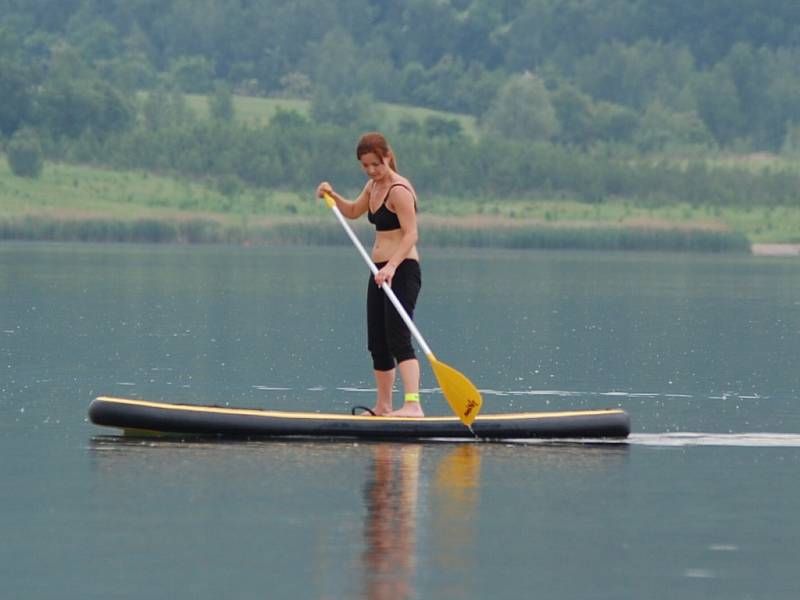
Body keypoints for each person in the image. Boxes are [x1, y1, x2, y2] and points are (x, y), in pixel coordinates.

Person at [317, 132, 423, 417]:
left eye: (376, 164)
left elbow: (411, 234)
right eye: (365, 165)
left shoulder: (399, 190)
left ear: (387, 156)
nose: (371, 170)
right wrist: (331, 195)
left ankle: (413, 405)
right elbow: (352, 211)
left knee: (398, 338)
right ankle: (384, 406)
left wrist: (391, 267)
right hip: (379, 272)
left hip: (401, 270)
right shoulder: (372, 187)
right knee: (377, 342)